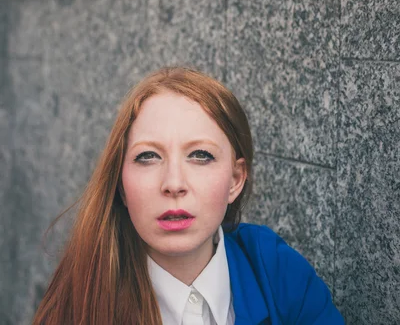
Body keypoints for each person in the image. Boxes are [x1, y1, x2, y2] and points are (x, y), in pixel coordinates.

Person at [33, 66, 344, 325]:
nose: (174, 183)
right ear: (121, 187)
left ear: (235, 179)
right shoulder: (80, 299)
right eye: (148, 157)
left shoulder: (277, 272)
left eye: (200, 155)